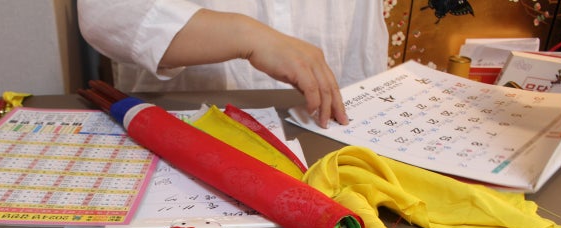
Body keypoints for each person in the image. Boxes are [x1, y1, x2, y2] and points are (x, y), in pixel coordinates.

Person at [77, 0, 388, 128]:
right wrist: (246, 35)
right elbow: (103, 11)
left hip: (321, 135)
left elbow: (362, 52)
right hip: (185, 132)